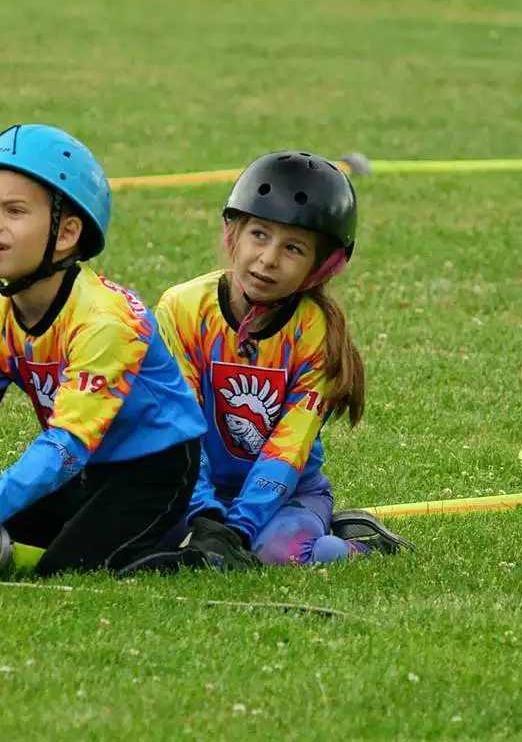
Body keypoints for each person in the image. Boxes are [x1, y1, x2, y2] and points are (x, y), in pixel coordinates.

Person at [0, 123, 207, 576]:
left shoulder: (106, 321)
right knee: (3, 543)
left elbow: (68, 443)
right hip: (87, 470)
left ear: (67, 231)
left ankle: (203, 548)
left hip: (154, 469)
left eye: (15, 210)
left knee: (64, 569)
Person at [125, 151, 412, 574]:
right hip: (190, 488)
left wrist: (237, 530)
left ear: (321, 266)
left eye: (293, 248)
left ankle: (356, 543)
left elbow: (289, 448)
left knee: (278, 554)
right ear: (233, 233)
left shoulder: (314, 332)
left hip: (288, 495)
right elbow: (178, 424)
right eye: (259, 234)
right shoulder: (182, 309)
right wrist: (207, 520)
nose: (269, 258)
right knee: (139, 543)